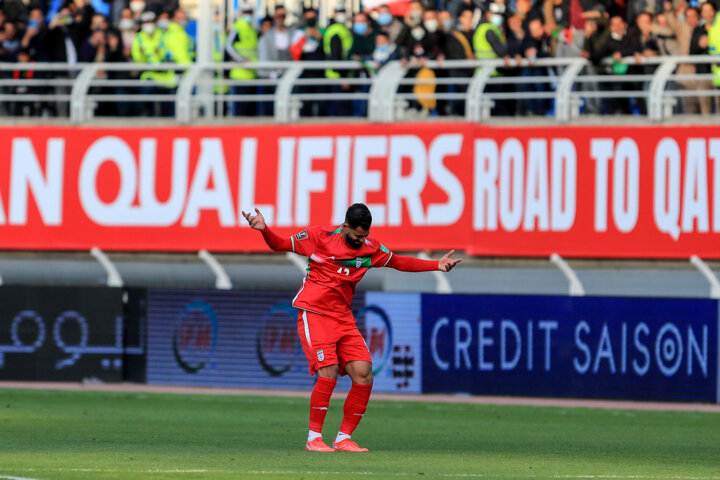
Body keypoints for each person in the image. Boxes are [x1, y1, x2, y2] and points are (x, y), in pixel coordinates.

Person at [242, 203, 461, 452]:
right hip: (314, 312)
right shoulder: (318, 237)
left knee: (364, 372)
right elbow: (280, 244)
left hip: (343, 317)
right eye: (357, 235)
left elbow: (399, 262)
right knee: (329, 371)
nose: (361, 240)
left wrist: (436, 265)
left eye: (365, 236)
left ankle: (343, 438)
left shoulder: (370, 248)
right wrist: (263, 229)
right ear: (345, 226)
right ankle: (314, 438)